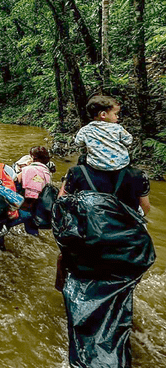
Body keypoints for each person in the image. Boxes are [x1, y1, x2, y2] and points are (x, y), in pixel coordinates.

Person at [56, 157, 151, 367]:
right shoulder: (137, 175)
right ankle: (118, 333)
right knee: (119, 293)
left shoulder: (77, 172)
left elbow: (62, 205)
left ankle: (84, 345)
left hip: (87, 244)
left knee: (83, 289)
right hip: (125, 247)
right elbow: (145, 209)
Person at [75, 95, 132, 171]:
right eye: (115, 114)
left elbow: (78, 143)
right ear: (103, 115)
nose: (117, 117)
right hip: (120, 165)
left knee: (82, 159)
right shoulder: (117, 128)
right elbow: (128, 141)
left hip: (96, 166)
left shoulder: (85, 130)